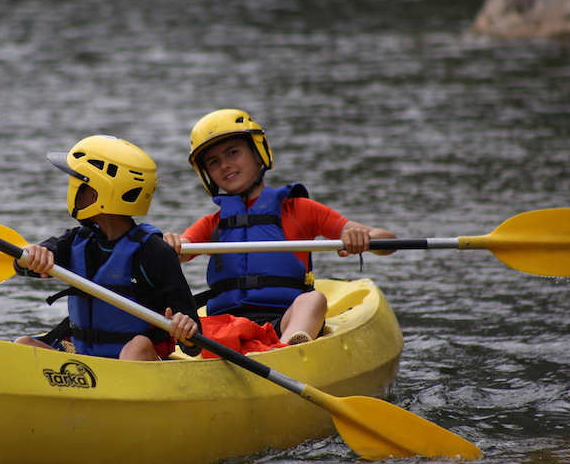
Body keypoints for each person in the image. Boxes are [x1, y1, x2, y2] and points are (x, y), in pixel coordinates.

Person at [163, 109, 396, 346]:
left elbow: (387, 241)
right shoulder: (211, 224)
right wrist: (170, 246)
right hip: (224, 326)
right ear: (207, 174)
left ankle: (289, 350)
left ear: (258, 154)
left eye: (233, 152)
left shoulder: (301, 209)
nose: (225, 165)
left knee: (313, 299)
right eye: (214, 162)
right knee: (181, 316)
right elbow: (179, 251)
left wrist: (360, 238)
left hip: (282, 321)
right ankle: (197, 348)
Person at [14, 134, 201, 361]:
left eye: (77, 182)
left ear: (96, 193)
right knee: (23, 345)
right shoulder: (76, 241)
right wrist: (31, 255)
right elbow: (24, 266)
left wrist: (186, 330)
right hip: (86, 360)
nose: (71, 188)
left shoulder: (155, 252)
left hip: (139, 362)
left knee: (138, 345)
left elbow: (194, 343)